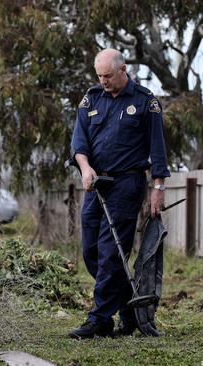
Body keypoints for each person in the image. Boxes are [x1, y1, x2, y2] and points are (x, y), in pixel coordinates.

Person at [69, 49, 170, 339]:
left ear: (123, 69)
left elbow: (158, 149)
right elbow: (79, 141)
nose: (103, 81)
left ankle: (99, 319)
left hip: (127, 185)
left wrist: (158, 188)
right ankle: (130, 312)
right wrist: (85, 168)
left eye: (108, 76)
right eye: (99, 76)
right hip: (96, 184)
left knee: (111, 253)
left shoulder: (145, 102)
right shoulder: (91, 99)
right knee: (91, 252)